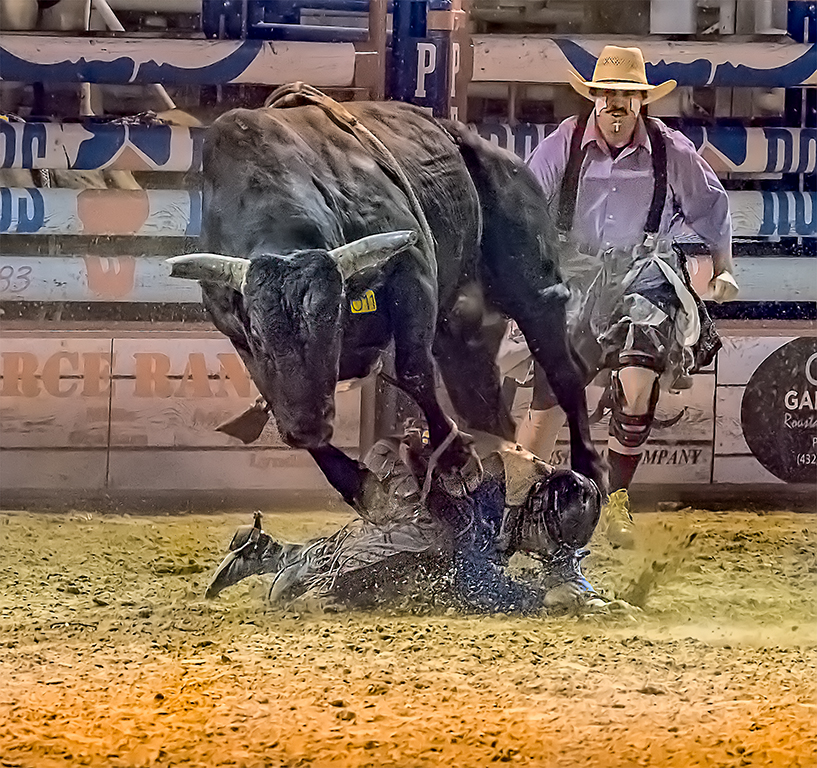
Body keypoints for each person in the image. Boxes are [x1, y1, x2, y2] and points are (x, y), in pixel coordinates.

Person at [515, 45, 739, 548]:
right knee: (547, 409)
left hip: (643, 274)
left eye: (628, 96)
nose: (617, 104)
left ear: (642, 102)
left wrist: (724, 268)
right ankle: (517, 509)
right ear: (594, 97)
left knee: (638, 376)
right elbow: (523, 202)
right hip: (575, 277)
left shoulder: (670, 149)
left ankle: (614, 501)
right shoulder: (563, 145)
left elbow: (712, 204)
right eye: (609, 95)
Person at [204, 425, 608, 615]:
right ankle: (309, 575)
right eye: (545, 537)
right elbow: (474, 580)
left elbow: (564, 563)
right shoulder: (493, 488)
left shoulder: (544, 495)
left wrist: (588, 596)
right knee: (430, 541)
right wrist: (536, 600)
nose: (545, 548)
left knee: (419, 569)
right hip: (400, 471)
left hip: (429, 491)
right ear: (536, 509)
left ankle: (267, 553)